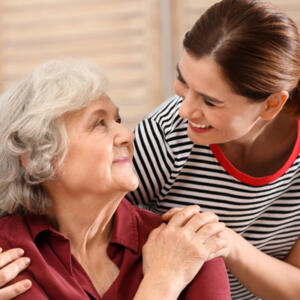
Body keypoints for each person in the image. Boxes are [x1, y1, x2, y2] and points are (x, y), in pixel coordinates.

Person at [2, 0, 300, 299]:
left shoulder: (189, 246)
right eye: (183, 81)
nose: (184, 111)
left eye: (210, 101)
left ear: (272, 104)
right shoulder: (168, 133)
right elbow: (39, 190)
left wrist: (218, 244)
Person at [0, 59, 231, 300]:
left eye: (118, 121)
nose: (128, 136)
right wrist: (163, 282)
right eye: (99, 124)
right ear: (38, 156)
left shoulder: (189, 244)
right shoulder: (10, 257)